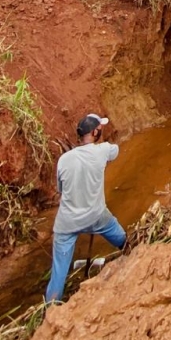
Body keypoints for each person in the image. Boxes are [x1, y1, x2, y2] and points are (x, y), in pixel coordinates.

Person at [45, 113, 126, 304]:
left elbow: (61, 190)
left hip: (67, 222)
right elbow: (115, 150)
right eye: (100, 129)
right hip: (96, 216)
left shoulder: (64, 160)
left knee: (58, 273)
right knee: (124, 241)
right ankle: (130, 256)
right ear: (96, 132)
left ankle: (52, 306)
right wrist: (100, 144)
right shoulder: (103, 150)